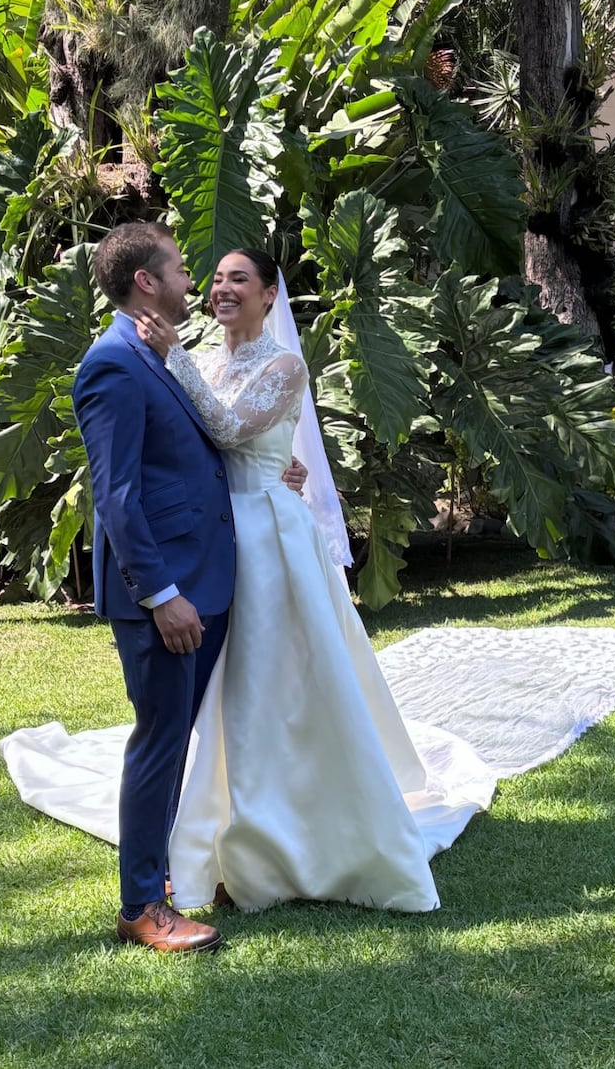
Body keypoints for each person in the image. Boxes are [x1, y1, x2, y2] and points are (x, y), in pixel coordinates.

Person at [133, 248, 440, 915]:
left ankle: (308, 825)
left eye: (238, 279)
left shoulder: (284, 365)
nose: (221, 288)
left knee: (287, 683)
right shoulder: (207, 361)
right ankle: (230, 826)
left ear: (270, 295)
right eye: (214, 278)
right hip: (220, 536)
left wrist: (173, 355)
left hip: (271, 540)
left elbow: (227, 426)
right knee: (233, 689)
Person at [71, 223, 306, 954]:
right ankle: (143, 904)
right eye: (179, 268)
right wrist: (159, 593)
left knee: (187, 741)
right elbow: (117, 496)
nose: (193, 282)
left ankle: (171, 876)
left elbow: (213, 442)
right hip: (167, 593)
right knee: (161, 741)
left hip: (207, 579)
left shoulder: (160, 356)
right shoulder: (113, 363)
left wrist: (280, 472)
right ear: (147, 281)